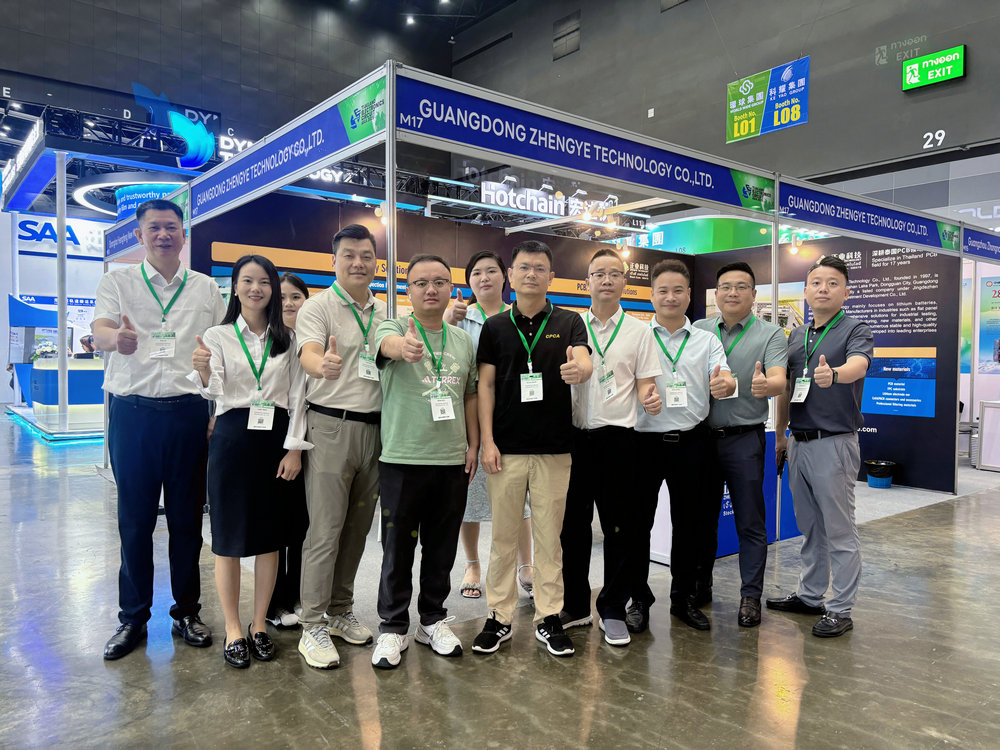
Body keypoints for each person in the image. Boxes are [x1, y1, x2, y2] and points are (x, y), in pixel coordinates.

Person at [93, 199, 226, 660]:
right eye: (154, 228)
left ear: (183, 234)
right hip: (133, 415)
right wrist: (117, 339)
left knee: (188, 520)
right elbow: (101, 329)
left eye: (171, 227)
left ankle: (187, 611)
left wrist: (216, 406)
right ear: (139, 235)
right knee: (134, 520)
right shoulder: (118, 282)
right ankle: (132, 618)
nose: (163, 235)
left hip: (189, 413)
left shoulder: (205, 288)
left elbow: (223, 347)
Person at [472, 239, 593, 658]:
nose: (531, 274)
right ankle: (498, 616)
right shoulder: (494, 327)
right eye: (524, 267)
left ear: (551, 276)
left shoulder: (569, 321)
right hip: (505, 450)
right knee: (503, 538)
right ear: (511, 275)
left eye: (540, 268)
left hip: (554, 450)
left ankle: (549, 616)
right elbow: (485, 386)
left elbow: (584, 359)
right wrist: (487, 442)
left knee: (549, 538)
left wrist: (580, 369)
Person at [191, 255, 311, 668]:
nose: (256, 288)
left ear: (273, 289)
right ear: (235, 287)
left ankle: (259, 624)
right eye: (247, 281)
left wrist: (294, 449)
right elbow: (214, 390)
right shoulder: (219, 335)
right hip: (232, 440)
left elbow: (298, 398)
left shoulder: (288, 339)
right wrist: (203, 371)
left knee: (269, 539)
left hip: (276, 441)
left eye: (264, 281)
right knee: (227, 540)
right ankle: (233, 628)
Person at [370, 254, 480, 669]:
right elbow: (386, 346)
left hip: (451, 459)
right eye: (420, 283)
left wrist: (472, 444)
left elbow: (470, 395)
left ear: (451, 288)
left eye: (439, 282)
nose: (430, 289)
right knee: (397, 548)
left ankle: (432, 620)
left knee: (441, 547)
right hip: (402, 457)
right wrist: (404, 348)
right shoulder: (394, 327)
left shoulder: (462, 341)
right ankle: (393, 626)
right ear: (408, 290)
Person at [560, 248, 662, 648]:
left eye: (614, 274)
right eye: (598, 273)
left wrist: (650, 398)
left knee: (620, 528)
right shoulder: (570, 325)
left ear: (625, 281)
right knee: (573, 528)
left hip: (619, 439)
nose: (606, 280)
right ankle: (575, 604)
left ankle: (613, 608)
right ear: (587, 281)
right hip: (573, 440)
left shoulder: (640, 332)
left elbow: (645, 383)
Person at [767, 255, 873, 638]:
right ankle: (810, 596)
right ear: (806, 290)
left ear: (846, 291)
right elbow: (786, 389)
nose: (823, 289)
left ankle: (841, 608)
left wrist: (835, 375)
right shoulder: (796, 336)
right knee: (810, 527)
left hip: (835, 443)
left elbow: (859, 365)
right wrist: (781, 434)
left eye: (832, 283)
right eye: (816, 283)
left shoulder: (855, 329)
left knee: (839, 530)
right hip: (798, 442)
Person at [295, 224, 386, 669]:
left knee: (357, 529)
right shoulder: (318, 307)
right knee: (325, 529)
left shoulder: (386, 310)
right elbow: (308, 353)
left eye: (366, 255)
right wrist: (322, 365)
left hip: (377, 431)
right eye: (348, 255)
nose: (358, 263)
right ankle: (311, 623)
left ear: (376, 262)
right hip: (331, 427)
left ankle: (339, 610)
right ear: (334, 261)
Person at [632, 259, 735, 632]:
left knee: (691, 525)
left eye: (678, 290)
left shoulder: (706, 340)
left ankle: (683, 599)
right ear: (652, 295)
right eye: (663, 291)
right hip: (643, 443)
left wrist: (726, 384)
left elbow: (724, 376)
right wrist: (641, 396)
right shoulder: (638, 337)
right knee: (636, 525)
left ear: (689, 295)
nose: (670, 297)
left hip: (692, 443)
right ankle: (637, 600)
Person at [692, 262, 788, 627]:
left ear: (753, 294)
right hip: (701, 438)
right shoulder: (698, 330)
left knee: (750, 521)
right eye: (726, 286)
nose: (733, 293)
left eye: (741, 287)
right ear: (716, 293)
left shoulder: (771, 334)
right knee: (702, 519)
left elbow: (778, 378)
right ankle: (700, 586)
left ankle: (750, 596)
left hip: (744, 439)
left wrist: (767, 386)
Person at [444, 250, 533, 601]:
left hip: (512, 417)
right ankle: (472, 564)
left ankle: (526, 565)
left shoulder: (518, 317)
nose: (484, 278)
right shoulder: (460, 318)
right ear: (469, 281)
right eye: (477, 272)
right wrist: (449, 320)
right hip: (469, 419)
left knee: (519, 498)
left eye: (491, 271)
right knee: (470, 496)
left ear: (504, 276)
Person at [266, 272, 310, 629]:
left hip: (314, 439)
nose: (289, 303)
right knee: (275, 523)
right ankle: (274, 602)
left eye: (295, 296)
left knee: (302, 525)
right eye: (281, 297)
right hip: (278, 439)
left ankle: (296, 596)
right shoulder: (267, 341)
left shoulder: (314, 339)